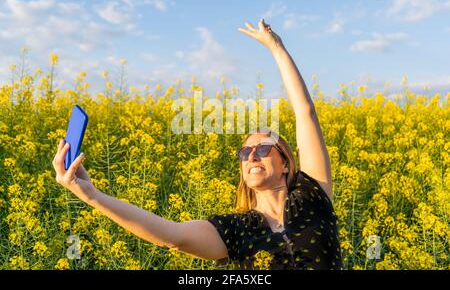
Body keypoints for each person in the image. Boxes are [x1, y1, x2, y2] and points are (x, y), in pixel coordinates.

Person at [52, 19, 343, 270]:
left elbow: (305, 113)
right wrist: (91, 195)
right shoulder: (237, 230)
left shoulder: (313, 196)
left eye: (263, 148)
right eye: (245, 152)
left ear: (285, 164)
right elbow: (172, 236)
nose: (252, 154)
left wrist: (276, 48)